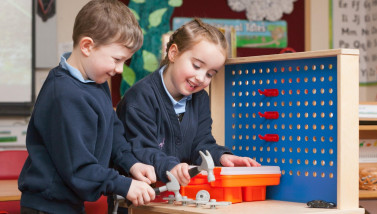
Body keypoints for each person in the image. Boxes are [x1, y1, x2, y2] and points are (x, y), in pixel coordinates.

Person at [18, 1, 156, 213]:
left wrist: (131, 163)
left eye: (124, 62)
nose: (119, 69)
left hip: (69, 203)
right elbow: (78, 167)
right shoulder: (64, 95)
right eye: (117, 59)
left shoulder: (95, 82)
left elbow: (112, 130)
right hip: (47, 207)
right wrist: (122, 184)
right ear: (87, 46)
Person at [116, 18, 261, 187]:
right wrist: (172, 167)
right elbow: (142, 150)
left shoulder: (200, 99)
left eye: (210, 74)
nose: (201, 78)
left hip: (176, 196)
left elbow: (201, 145)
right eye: (197, 66)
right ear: (173, 53)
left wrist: (221, 157)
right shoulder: (140, 98)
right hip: (136, 199)